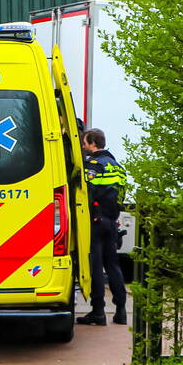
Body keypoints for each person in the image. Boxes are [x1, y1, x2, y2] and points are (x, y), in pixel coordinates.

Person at [77, 128, 128, 326]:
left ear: (92, 143)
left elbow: (87, 193)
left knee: (96, 266)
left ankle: (98, 311)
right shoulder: (117, 166)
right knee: (113, 265)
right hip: (112, 221)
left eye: (84, 142)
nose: (83, 146)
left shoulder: (92, 165)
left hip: (96, 222)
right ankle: (121, 310)